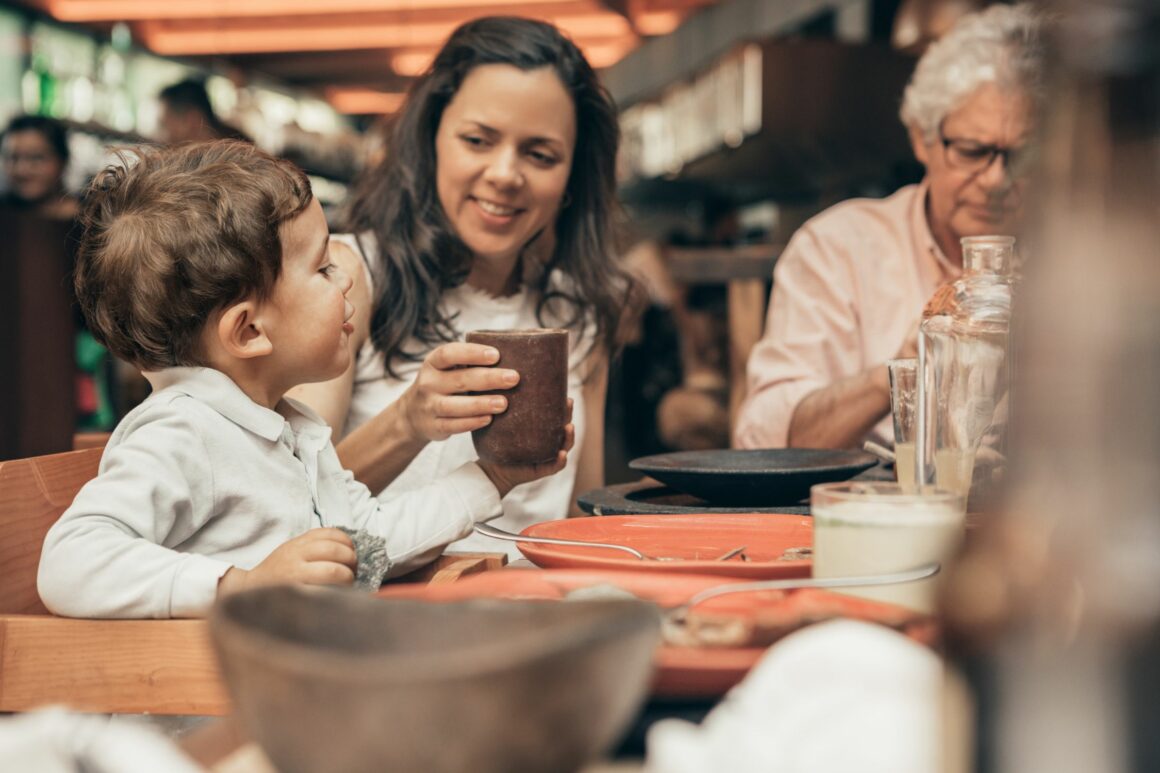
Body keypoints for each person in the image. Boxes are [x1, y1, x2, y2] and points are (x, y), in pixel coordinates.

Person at [37, 141, 571, 619]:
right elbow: (70, 560)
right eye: (322, 269)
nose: (346, 278)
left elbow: (370, 541)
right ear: (248, 331)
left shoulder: (289, 427)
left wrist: (495, 477)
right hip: (204, 722)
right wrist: (238, 585)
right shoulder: (182, 432)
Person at [292, 17, 634, 555]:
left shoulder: (579, 307)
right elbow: (286, 504)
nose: (505, 173)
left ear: (572, 178)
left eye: (540, 155)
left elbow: (576, 518)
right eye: (478, 140)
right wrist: (408, 421)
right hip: (382, 623)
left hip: (534, 621)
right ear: (431, 141)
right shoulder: (347, 275)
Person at [734, 3, 1043, 450]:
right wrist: (898, 373)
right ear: (922, 137)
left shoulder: (1077, 257)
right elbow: (762, 438)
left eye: (1022, 156)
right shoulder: (838, 248)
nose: (997, 180)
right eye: (973, 151)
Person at [1, 115, 78, 220]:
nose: (21, 170)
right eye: (13, 158)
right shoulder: (5, 215)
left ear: (62, 160)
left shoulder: (90, 220)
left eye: (36, 158)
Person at [156, 78, 249, 145]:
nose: (163, 137)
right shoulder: (238, 142)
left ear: (191, 119)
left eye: (164, 126)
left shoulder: (227, 159)